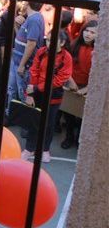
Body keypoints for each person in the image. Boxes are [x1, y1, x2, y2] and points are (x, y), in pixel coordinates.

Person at [22, 30, 73, 164]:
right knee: (34, 121)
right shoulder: (41, 52)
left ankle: (45, 149)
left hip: (53, 96)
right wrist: (31, 93)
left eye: (54, 40)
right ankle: (29, 148)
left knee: (49, 124)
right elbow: (34, 71)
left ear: (63, 42)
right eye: (48, 40)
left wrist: (37, 87)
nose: (50, 43)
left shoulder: (66, 58)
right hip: (37, 93)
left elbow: (59, 79)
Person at [62, 20, 96, 148]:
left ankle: (78, 139)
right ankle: (69, 136)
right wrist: (70, 81)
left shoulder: (99, 52)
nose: (88, 34)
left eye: (92, 32)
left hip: (88, 88)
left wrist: (86, 89)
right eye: (86, 31)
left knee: (83, 117)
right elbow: (65, 66)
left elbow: (98, 76)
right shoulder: (73, 45)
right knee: (69, 114)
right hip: (71, 85)